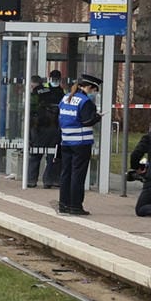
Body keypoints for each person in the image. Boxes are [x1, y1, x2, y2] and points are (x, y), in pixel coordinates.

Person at [57, 72, 102, 216]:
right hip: (81, 142)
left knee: (66, 173)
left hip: (66, 141)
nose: (94, 93)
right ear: (88, 87)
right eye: (94, 89)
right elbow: (87, 120)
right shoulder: (85, 101)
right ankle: (75, 206)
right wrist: (97, 117)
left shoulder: (65, 98)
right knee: (78, 175)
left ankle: (63, 204)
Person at [27, 71, 62, 188]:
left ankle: (32, 180)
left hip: (41, 126)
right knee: (51, 155)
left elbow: (31, 108)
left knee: (37, 154)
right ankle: (48, 180)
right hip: (53, 125)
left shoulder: (38, 91)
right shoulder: (60, 91)